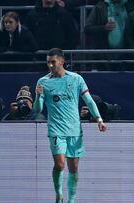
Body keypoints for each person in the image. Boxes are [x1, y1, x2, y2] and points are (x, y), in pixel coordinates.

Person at [32, 48, 107, 203]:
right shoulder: (43, 82)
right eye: (48, 62)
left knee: (73, 168)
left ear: (62, 61)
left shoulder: (76, 79)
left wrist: (99, 119)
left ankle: (71, 200)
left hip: (74, 130)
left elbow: (89, 101)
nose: (50, 65)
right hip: (56, 130)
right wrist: (38, 96)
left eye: (53, 62)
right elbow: (37, 110)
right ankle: (59, 195)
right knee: (59, 164)